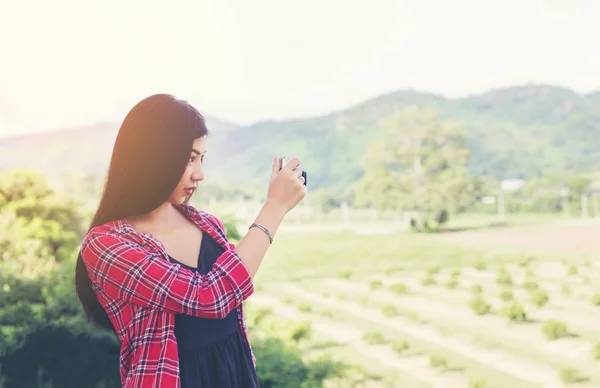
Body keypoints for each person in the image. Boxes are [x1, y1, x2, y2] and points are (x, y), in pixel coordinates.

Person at [75, 93, 306, 388]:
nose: (200, 174)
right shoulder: (106, 245)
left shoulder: (208, 224)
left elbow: (231, 306)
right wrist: (274, 208)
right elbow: (211, 296)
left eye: (201, 158)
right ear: (151, 158)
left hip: (235, 373)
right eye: (189, 159)